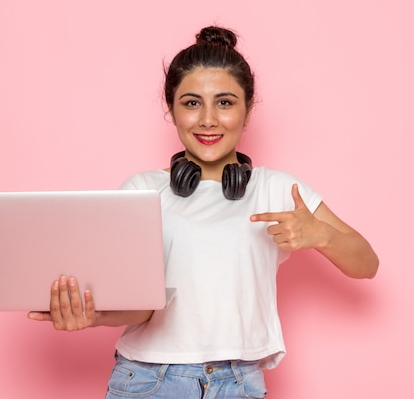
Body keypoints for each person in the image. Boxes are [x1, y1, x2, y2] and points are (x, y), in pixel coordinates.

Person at [28, 26, 379, 398]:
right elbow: (141, 308)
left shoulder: (277, 189)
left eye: (225, 102)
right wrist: (92, 316)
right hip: (149, 380)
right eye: (192, 103)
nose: (208, 119)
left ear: (248, 109)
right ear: (172, 110)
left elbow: (366, 264)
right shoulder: (143, 190)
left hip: (239, 384)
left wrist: (322, 235)